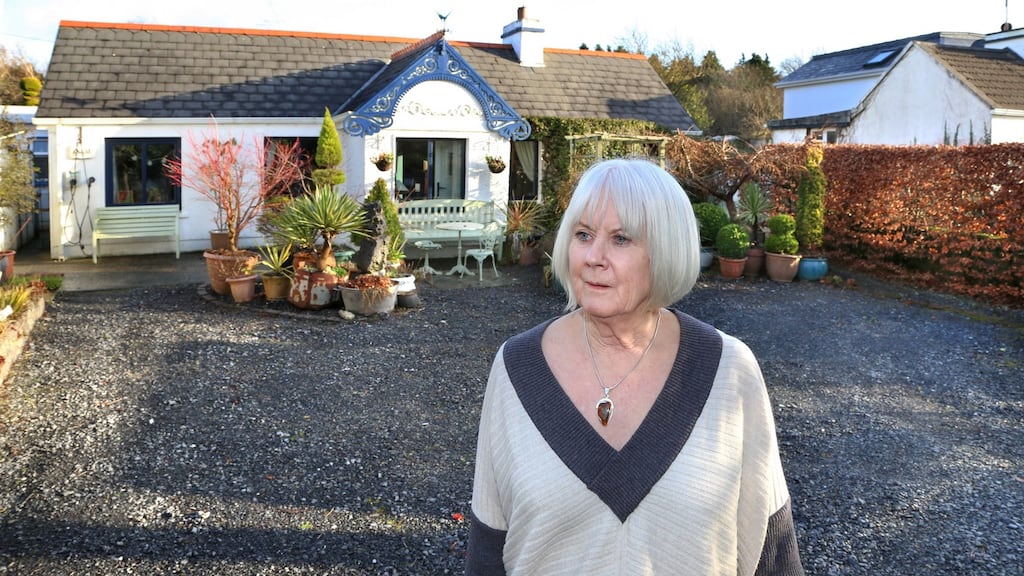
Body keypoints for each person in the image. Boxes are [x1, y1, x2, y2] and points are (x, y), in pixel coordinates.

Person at [466, 158, 804, 575]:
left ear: (665, 249)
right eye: (583, 234)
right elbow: (487, 549)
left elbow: (771, 556)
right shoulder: (517, 368)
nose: (593, 256)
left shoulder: (729, 371)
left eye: (621, 238)